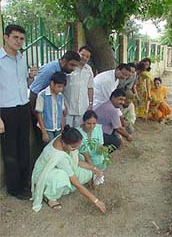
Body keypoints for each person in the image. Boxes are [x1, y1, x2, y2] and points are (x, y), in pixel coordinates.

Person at [31, 125, 106, 213]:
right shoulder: (59, 156)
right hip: (44, 175)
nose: (75, 149)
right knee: (62, 177)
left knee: (88, 172)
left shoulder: (64, 137)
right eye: (74, 147)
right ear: (63, 143)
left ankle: (63, 187)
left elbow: (76, 162)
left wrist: (94, 169)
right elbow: (76, 183)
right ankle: (49, 197)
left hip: (61, 168)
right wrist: (96, 201)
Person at [0, 24, 36, 200]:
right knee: (11, 151)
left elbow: (23, 84)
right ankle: (14, 188)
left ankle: (25, 182)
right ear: (6, 37)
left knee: (24, 148)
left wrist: (30, 77)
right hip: (6, 111)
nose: (19, 41)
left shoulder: (21, 58)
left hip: (23, 107)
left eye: (22, 38)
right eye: (15, 37)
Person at [64, 45, 94, 127]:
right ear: (78, 53)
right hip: (68, 107)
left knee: (79, 132)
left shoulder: (89, 70)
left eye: (87, 57)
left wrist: (90, 104)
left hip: (82, 108)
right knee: (67, 132)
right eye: (83, 55)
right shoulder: (70, 68)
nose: (84, 58)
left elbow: (90, 87)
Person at [35, 72, 67, 144]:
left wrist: (62, 127)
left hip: (58, 128)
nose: (61, 89)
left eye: (62, 87)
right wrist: (44, 132)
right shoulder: (42, 95)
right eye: (59, 86)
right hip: (47, 128)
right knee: (49, 147)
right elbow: (39, 114)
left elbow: (61, 113)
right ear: (52, 83)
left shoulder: (60, 96)